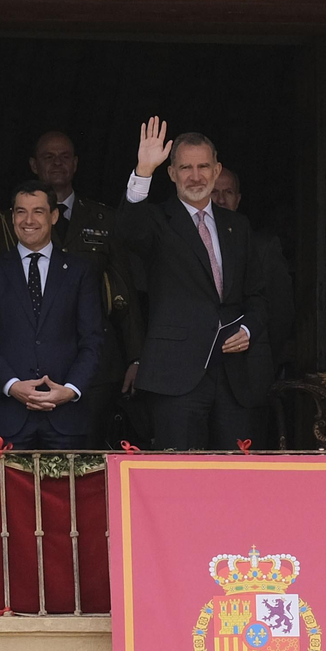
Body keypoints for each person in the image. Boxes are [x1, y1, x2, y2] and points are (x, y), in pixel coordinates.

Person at [118, 118, 265, 450]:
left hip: (233, 376)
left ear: (217, 170)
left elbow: (257, 294)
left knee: (235, 476)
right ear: (171, 174)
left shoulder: (237, 226)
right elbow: (128, 232)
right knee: (179, 475)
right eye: (185, 168)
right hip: (176, 376)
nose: (195, 176)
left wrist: (250, 330)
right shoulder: (157, 221)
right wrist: (143, 171)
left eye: (203, 167)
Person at [27, 129, 146, 443]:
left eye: (65, 157)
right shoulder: (16, 220)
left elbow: (126, 293)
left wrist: (135, 358)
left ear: (76, 164)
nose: (57, 163)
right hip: (32, 362)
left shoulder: (104, 219)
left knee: (88, 458)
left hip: (96, 363)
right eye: (48, 157)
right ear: (33, 165)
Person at [0, 181, 104, 448]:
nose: (28, 220)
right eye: (21, 212)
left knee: (65, 492)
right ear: (12, 217)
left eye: (38, 212)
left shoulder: (80, 271)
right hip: (6, 417)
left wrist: (70, 390)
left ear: (54, 216)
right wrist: (12, 385)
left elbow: (92, 341)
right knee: (4, 491)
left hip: (66, 418)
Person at [213, 166, 295, 442]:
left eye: (228, 192)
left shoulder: (263, 245)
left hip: (248, 376)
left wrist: (260, 350)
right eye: (214, 192)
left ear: (238, 199)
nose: (221, 199)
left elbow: (281, 314)